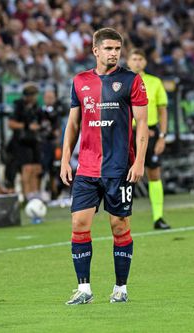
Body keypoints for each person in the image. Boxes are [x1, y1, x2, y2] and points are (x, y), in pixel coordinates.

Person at [60, 28, 149, 305]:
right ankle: (84, 289)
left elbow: (142, 124)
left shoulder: (131, 80)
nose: (114, 53)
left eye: (117, 49)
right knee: (79, 223)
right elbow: (73, 124)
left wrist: (139, 161)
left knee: (119, 226)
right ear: (95, 51)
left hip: (119, 167)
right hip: (87, 167)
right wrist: (65, 159)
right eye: (108, 48)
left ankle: (120, 288)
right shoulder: (80, 81)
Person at [127, 48, 170, 230]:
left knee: (154, 173)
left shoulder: (154, 82)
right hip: (129, 132)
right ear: (128, 62)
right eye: (134, 59)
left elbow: (162, 110)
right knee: (126, 176)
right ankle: (123, 217)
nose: (137, 62)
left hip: (151, 132)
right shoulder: (121, 81)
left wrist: (162, 136)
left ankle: (158, 217)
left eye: (140, 59)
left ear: (144, 62)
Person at [6, 82, 42, 201]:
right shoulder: (18, 106)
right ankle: (27, 196)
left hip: (34, 141)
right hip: (21, 142)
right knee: (26, 169)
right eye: (32, 95)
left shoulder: (36, 107)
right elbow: (10, 124)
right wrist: (27, 126)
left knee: (36, 169)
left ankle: (35, 195)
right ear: (27, 96)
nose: (34, 98)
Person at [38, 89, 65, 200]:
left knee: (54, 170)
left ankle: (55, 194)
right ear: (44, 98)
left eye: (51, 97)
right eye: (47, 97)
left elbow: (58, 129)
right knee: (42, 170)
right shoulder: (39, 112)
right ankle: (39, 193)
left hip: (54, 145)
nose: (49, 99)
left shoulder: (58, 112)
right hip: (42, 145)